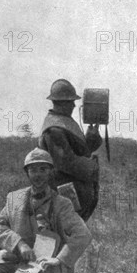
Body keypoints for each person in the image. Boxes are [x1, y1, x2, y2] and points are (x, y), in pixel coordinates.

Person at [39, 79, 102, 221]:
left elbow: (76, 153)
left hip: (68, 191)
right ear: (61, 103)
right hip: (61, 190)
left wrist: (90, 142)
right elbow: (66, 162)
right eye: (70, 101)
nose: (74, 105)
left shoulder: (64, 122)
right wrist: (91, 166)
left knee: (68, 235)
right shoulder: (54, 128)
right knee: (54, 234)